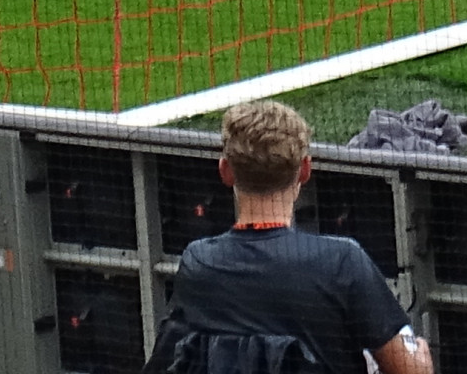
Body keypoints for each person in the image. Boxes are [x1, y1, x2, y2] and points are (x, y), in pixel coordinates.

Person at [155, 100, 440, 374]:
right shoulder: (341, 262)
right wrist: (422, 355)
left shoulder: (199, 263)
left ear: (225, 171)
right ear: (305, 170)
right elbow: (410, 370)